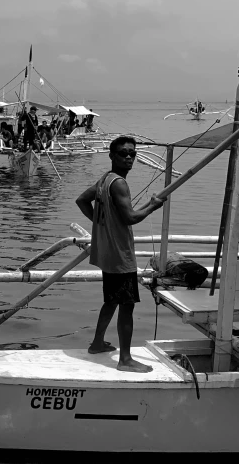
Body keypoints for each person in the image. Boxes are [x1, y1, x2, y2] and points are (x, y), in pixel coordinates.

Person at [75, 136, 165, 373]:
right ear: (112, 155)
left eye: (132, 154)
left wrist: (101, 222)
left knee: (112, 300)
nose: (129, 157)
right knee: (126, 306)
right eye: (123, 153)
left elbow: (82, 200)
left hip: (109, 254)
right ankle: (125, 360)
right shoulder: (119, 184)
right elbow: (130, 218)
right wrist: (152, 206)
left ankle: (97, 344)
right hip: (121, 256)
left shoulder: (105, 179)